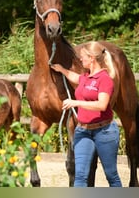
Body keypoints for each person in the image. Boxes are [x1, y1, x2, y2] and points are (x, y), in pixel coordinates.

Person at [51, 41, 122, 187]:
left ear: (92, 58)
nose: (80, 59)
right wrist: (61, 69)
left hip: (105, 132)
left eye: (82, 56)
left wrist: (76, 103)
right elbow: (75, 77)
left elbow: (102, 105)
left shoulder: (105, 79)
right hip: (83, 131)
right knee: (80, 176)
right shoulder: (86, 77)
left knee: (111, 175)